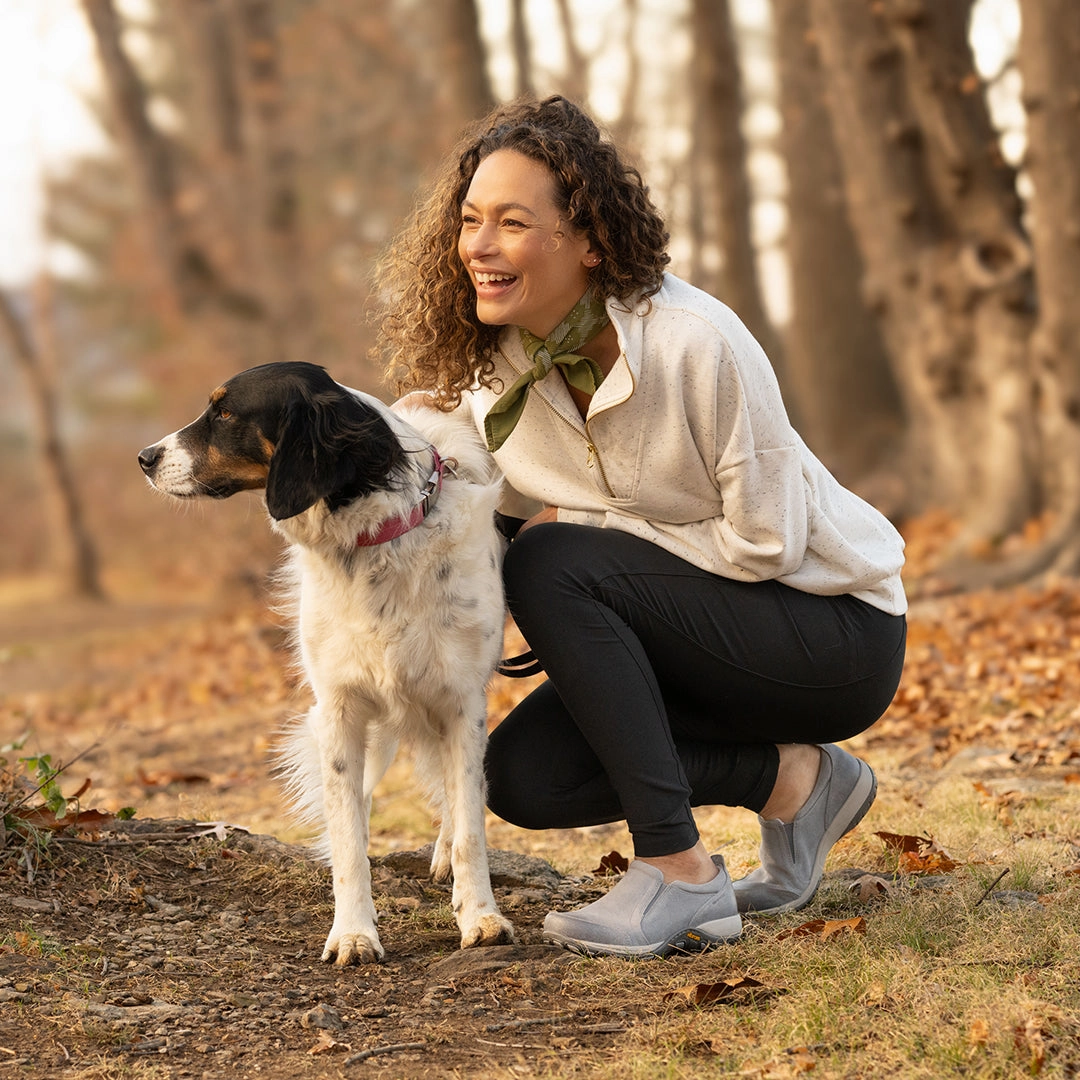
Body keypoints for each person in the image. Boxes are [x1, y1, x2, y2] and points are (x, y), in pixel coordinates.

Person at [375, 95, 907, 959]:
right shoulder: (496, 374)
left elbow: (767, 541)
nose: (479, 245)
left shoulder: (697, 343)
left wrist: (601, 549)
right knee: (521, 776)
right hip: (694, 646)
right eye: (471, 221)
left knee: (557, 559)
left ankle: (683, 874)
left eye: (513, 222)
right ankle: (797, 784)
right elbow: (489, 526)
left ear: (589, 240)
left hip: (830, 636)